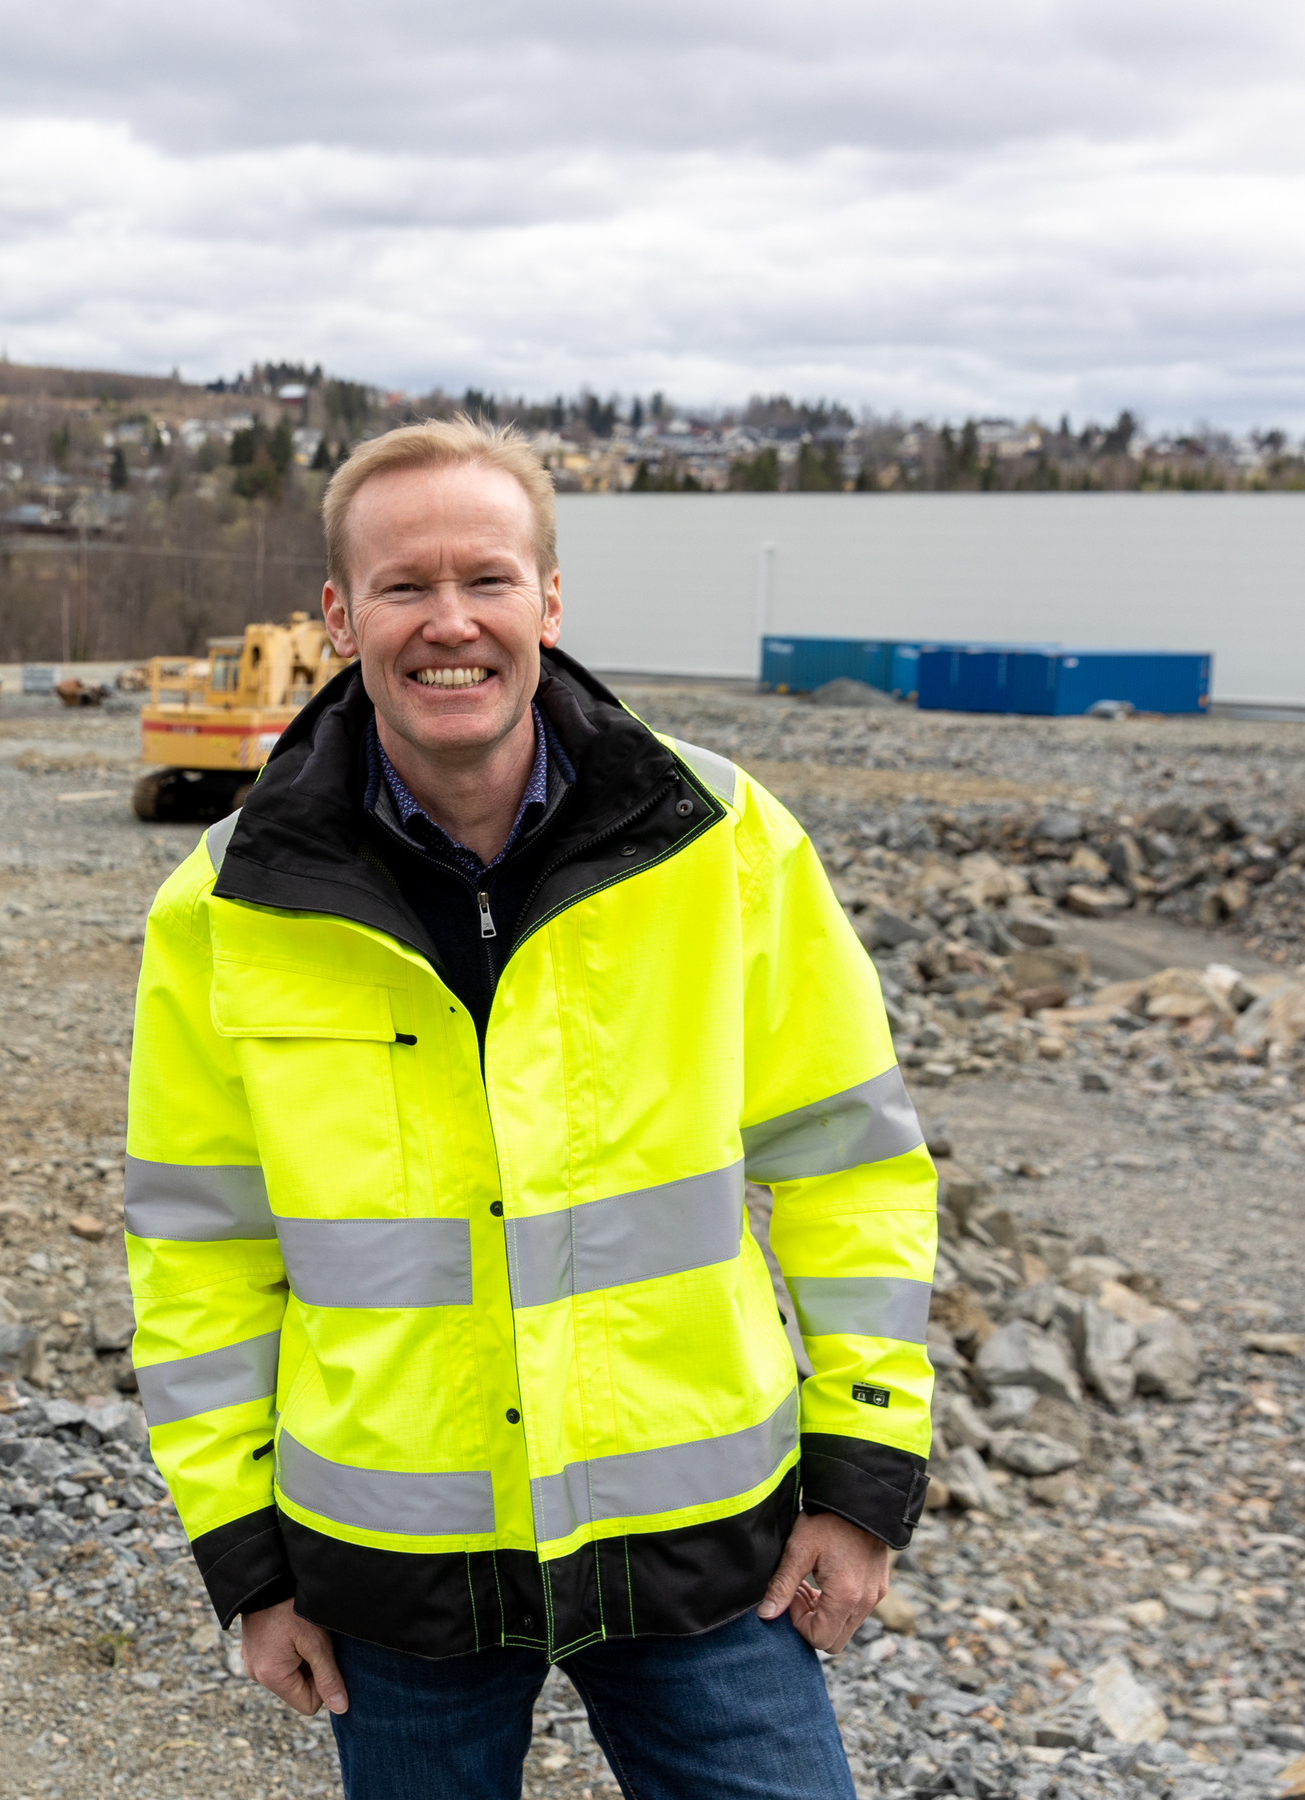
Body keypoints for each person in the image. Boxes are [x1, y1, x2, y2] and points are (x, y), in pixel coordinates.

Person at [122, 418, 937, 1798]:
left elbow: (851, 1166)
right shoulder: (226, 908)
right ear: (340, 618)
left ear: (549, 601)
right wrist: (248, 1563)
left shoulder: (721, 843)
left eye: (487, 579)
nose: (450, 622)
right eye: (404, 585)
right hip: (396, 1570)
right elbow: (200, 1251)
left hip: (698, 1543)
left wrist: (862, 1471)